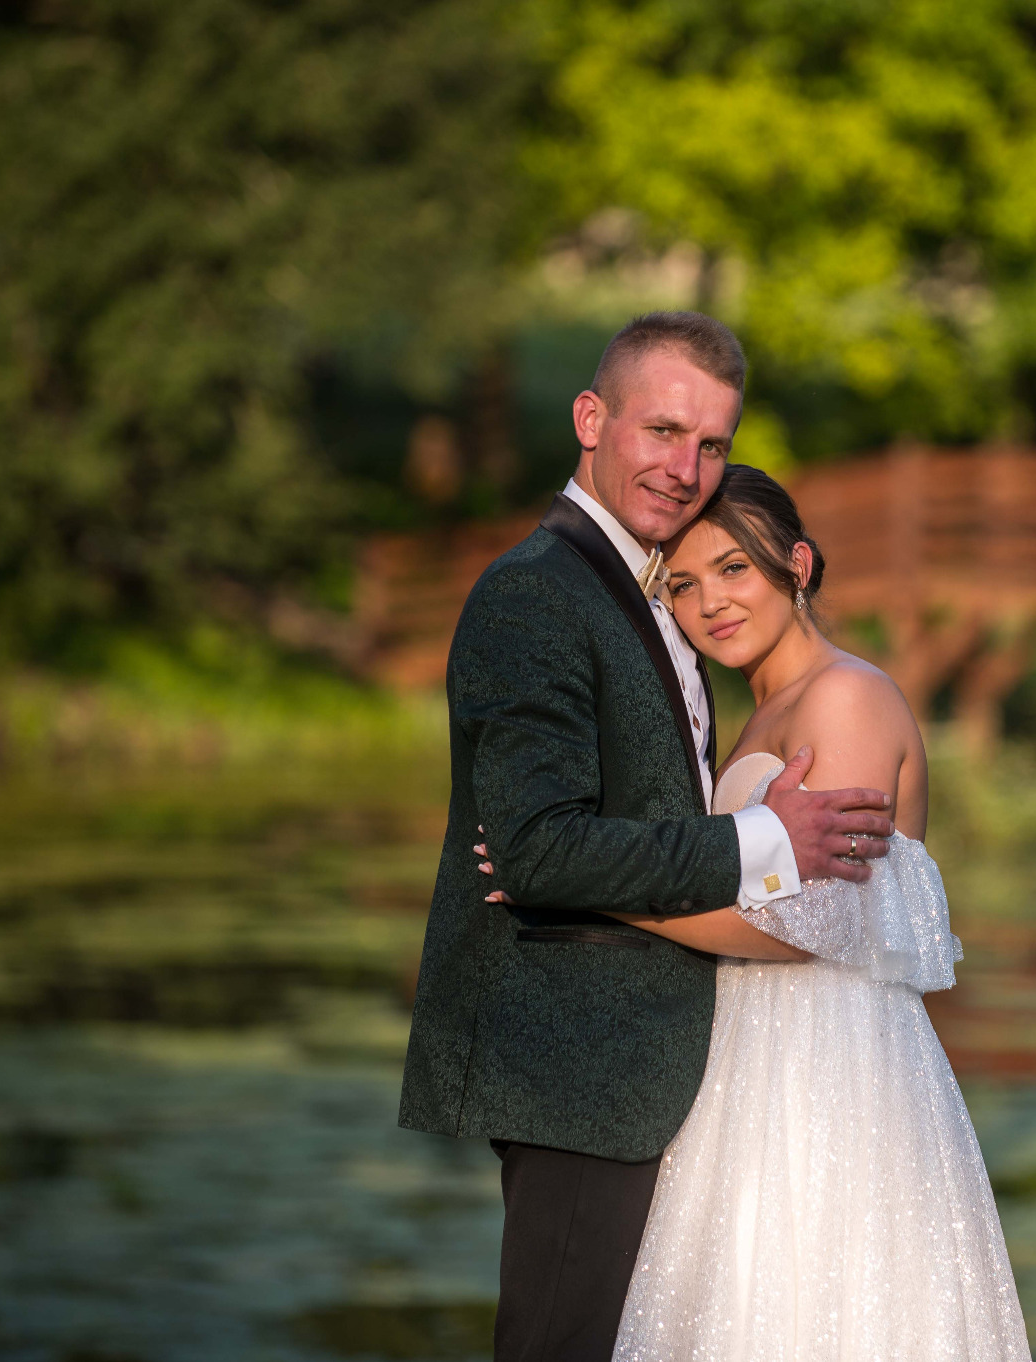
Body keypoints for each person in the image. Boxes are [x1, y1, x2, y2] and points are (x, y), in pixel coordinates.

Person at [396, 311, 897, 1362]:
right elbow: (534, 848)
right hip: (575, 1062)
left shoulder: (649, 586)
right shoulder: (536, 594)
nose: (685, 467)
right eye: (662, 431)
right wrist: (761, 839)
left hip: (653, 1072)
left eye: (710, 445)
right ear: (591, 418)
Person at [488, 465, 1034, 1361]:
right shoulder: (755, 716)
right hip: (746, 1052)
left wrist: (585, 890)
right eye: (684, 585)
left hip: (828, 1068)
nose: (711, 603)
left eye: (735, 569)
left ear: (799, 565)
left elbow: (818, 927)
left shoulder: (845, 696)